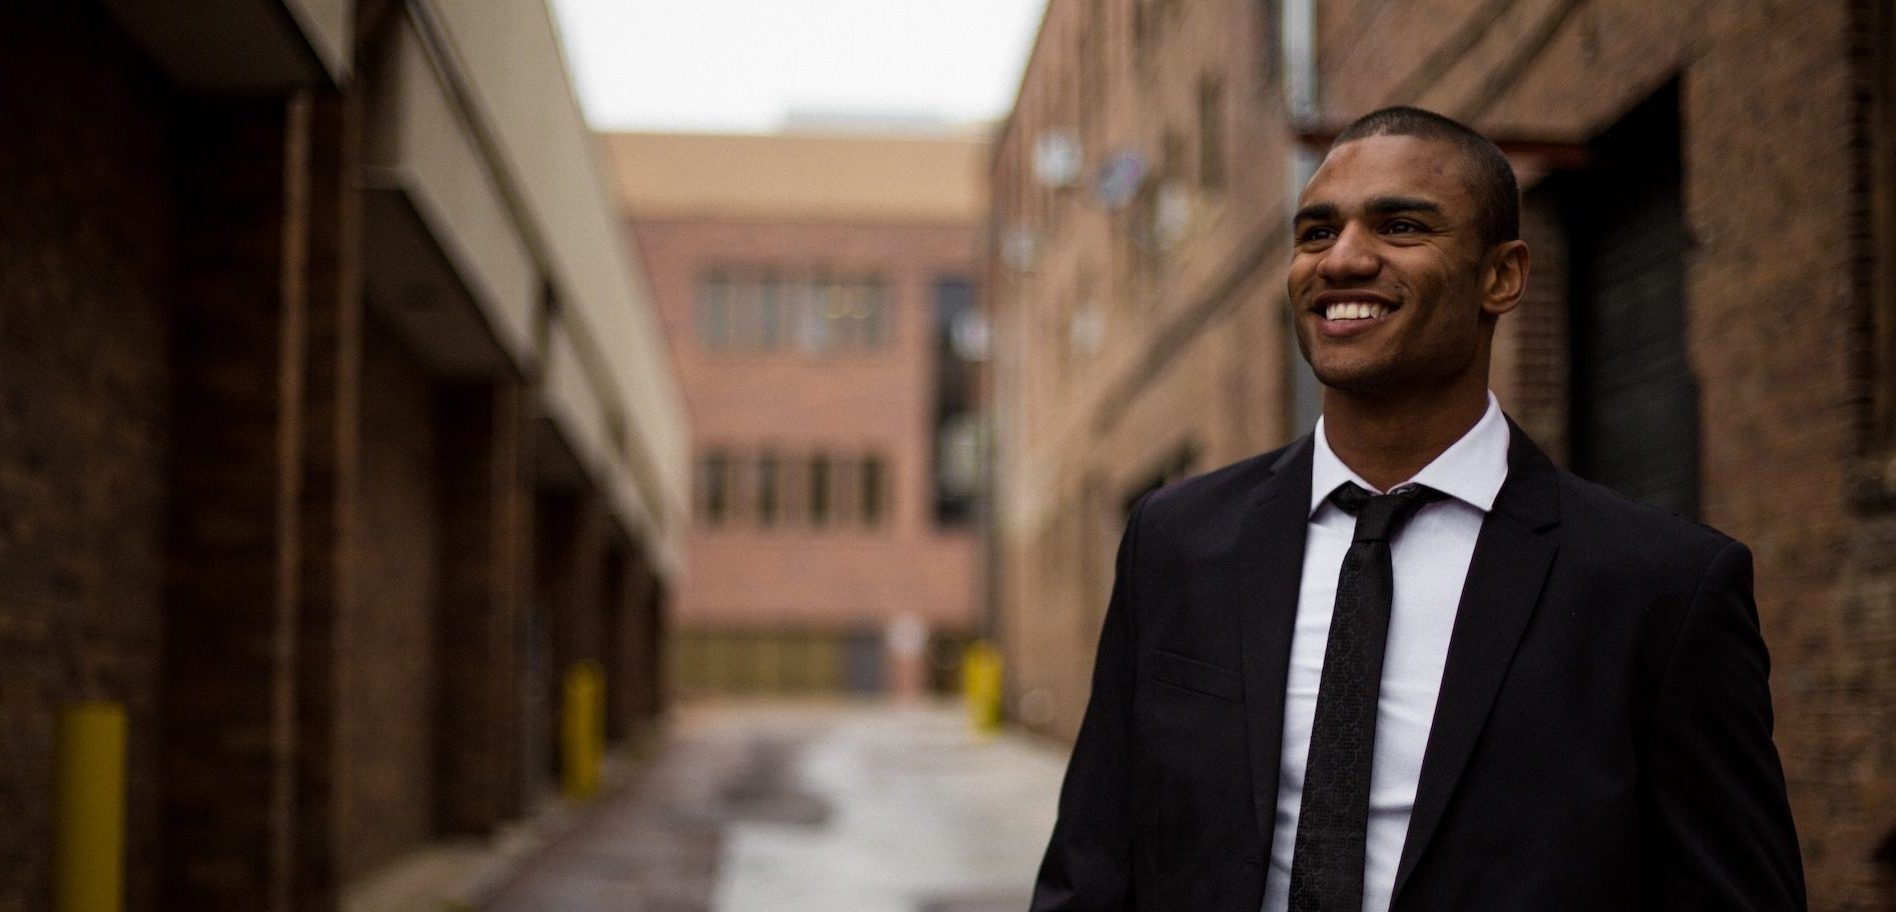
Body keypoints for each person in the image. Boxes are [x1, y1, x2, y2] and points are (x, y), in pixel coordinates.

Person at [1028, 107, 1805, 912]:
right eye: (1316, 232)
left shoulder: (1660, 588)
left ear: (1501, 276)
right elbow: (1091, 866)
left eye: (1400, 226)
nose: (1343, 259)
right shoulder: (1176, 541)